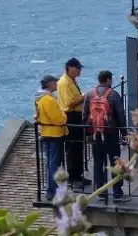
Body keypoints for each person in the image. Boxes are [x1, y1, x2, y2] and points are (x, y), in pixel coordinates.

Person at [83, 69, 130, 204]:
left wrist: (88, 133)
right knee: (115, 162)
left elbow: (85, 115)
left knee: (98, 163)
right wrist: (124, 133)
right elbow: (120, 115)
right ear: (109, 80)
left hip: (96, 134)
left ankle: (101, 192)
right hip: (111, 134)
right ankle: (117, 193)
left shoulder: (89, 94)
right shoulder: (113, 95)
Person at [57, 57, 89, 190]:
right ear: (70, 68)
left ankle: (78, 175)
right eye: (78, 68)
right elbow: (70, 102)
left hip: (76, 115)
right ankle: (72, 177)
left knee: (78, 147)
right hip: (70, 116)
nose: (80, 71)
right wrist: (84, 96)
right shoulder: (65, 82)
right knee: (72, 147)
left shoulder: (71, 81)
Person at [35, 75, 68, 201]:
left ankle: (52, 189)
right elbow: (58, 119)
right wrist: (64, 116)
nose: (57, 84)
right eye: (55, 82)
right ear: (50, 84)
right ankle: (53, 191)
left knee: (50, 163)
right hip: (54, 134)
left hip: (46, 133)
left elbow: (37, 116)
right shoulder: (48, 100)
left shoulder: (39, 98)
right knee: (54, 163)